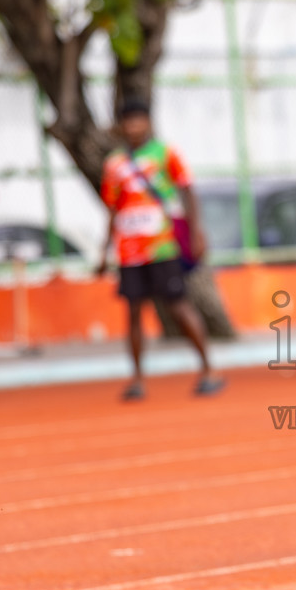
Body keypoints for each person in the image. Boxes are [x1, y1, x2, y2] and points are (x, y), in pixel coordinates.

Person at [98, 99, 222, 400]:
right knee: (134, 312)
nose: (134, 127)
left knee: (179, 305)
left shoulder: (165, 154)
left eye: (139, 120)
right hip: (129, 250)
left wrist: (196, 232)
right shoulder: (114, 164)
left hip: (162, 246)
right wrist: (104, 250)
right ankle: (137, 379)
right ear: (121, 127)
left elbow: (187, 191)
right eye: (128, 121)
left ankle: (208, 370)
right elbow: (112, 209)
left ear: (149, 123)